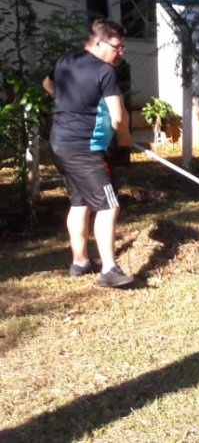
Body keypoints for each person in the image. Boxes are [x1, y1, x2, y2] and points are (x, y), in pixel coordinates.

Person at [43, 19, 136, 288]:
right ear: (97, 42)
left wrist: (67, 105)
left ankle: (80, 262)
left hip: (60, 144)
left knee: (80, 202)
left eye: (123, 47)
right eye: (117, 47)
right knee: (109, 205)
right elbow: (118, 116)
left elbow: (47, 84)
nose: (121, 52)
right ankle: (109, 270)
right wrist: (125, 138)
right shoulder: (105, 71)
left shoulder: (65, 61)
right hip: (84, 149)